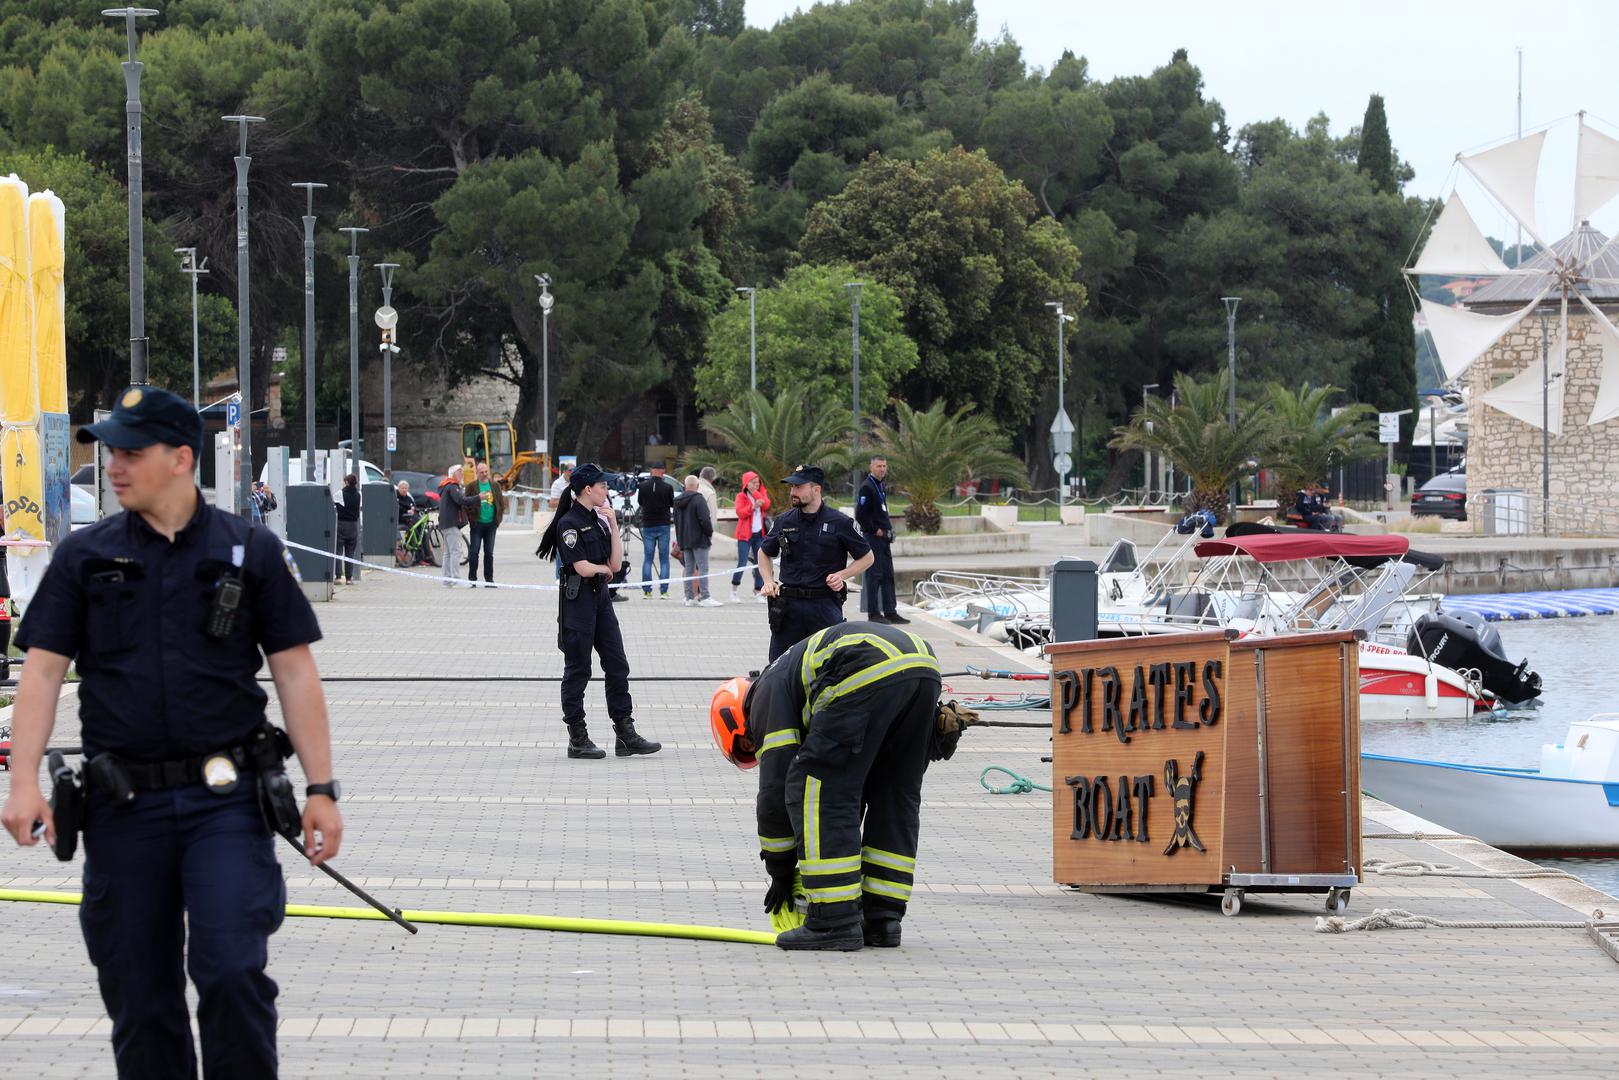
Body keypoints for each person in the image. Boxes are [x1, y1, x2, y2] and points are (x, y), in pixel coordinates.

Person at [0, 384, 341, 1076]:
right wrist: (23, 782)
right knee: (139, 993)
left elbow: (295, 674)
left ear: (182, 457)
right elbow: (39, 674)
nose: (114, 467)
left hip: (226, 804)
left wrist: (321, 788)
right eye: (110, 453)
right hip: (123, 809)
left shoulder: (249, 550)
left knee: (231, 971)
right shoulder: (83, 557)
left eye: (131, 452)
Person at [708, 620, 951, 951]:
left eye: (749, 745)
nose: (757, 747)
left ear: (738, 718)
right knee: (893, 792)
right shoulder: (787, 675)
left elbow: (775, 792)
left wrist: (780, 870)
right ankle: (882, 918)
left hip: (867, 668)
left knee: (818, 787)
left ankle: (834, 920)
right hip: (922, 665)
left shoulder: (764, 695)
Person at [535, 463, 661, 760]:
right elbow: (582, 567)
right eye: (603, 486)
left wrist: (615, 525)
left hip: (601, 599)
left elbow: (615, 565)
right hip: (578, 601)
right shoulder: (569, 523)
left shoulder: (601, 520)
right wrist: (603, 570)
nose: (608, 490)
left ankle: (625, 733)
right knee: (578, 669)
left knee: (617, 663)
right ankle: (577, 737)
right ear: (587, 489)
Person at [757, 465, 874, 662]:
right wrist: (768, 580)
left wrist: (842, 575)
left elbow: (868, 557)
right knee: (778, 666)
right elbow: (764, 552)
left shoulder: (840, 522)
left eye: (798, 487)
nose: (793, 492)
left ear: (816, 489)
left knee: (830, 665)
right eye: (792, 487)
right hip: (789, 606)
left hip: (824, 605)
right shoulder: (784, 521)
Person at [855, 456, 908, 625]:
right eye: (879, 466)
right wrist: (875, 530)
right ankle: (874, 612)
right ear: (871, 467)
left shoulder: (880, 485)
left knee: (887, 575)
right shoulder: (867, 487)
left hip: (884, 538)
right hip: (874, 538)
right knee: (874, 575)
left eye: (884, 466)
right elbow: (861, 514)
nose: (882, 469)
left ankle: (890, 611)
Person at [674, 474, 720, 607]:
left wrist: (680, 539)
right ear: (697, 486)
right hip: (699, 539)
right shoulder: (699, 499)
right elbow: (705, 520)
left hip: (685, 539)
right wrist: (709, 534)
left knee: (689, 568)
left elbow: (676, 522)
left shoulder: (677, 501)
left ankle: (689, 597)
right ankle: (705, 596)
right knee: (703, 568)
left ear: (685, 485)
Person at [731, 470, 771, 604]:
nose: (756, 485)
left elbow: (766, 504)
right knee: (742, 562)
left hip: (759, 534)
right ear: (746, 484)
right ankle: (734, 590)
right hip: (744, 534)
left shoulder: (760, 493)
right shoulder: (741, 497)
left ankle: (758, 590)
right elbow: (740, 513)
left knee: (759, 563)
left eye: (757, 483)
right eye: (753, 483)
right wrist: (752, 507)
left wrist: (756, 494)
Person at [638, 462, 674, 598]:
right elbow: (671, 503)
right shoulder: (668, 487)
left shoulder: (643, 486)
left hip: (648, 524)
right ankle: (664, 591)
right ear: (663, 471)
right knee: (664, 559)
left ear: (651, 471)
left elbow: (640, 502)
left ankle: (647, 590)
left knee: (648, 558)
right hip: (663, 524)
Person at [465, 461, 504, 585]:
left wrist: (498, 519)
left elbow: (501, 503)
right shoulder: (471, 486)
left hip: (491, 524)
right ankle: (472, 579)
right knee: (474, 552)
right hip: (477, 523)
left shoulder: (495, 486)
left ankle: (489, 580)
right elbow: (466, 502)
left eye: (486, 471)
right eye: (481, 472)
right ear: (477, 473)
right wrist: (471, 517)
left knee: (489, 553)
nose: (484, 474)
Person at [437, 464, 470, 588]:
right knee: (455, 552)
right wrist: (478, 497)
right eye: (460, 472)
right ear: (453, 474)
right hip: (451, 524)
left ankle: (447, 580)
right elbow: (460, 500)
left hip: (445, 524)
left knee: (448, 553)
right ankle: (456, 580)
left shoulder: (445, 486)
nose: (462, 475)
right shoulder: (452, 486)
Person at [334, 473, 361, 584]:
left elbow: (334, 505)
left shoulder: (340, 493)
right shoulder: (358, 494)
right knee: (350, 552)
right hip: (354, 526)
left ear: (346, 482)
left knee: (338, 551)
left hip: (341, 524)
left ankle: (339, 577)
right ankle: (349, 579)